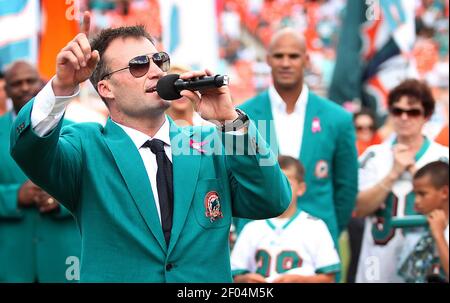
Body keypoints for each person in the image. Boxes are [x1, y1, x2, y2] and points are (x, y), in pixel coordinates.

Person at [9, 12, 291, 282]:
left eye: (159, 61)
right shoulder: (86, 145)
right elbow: (26, 147)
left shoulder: (212, 141)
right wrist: (60, 86)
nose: (156, 72)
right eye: (139, 65)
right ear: (106, 88)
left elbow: (274, 198)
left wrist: (231, 120)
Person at [238, 27, 358, 247]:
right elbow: (235, 180)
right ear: (268, 60)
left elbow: (347, 187)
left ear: (306, 59)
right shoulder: (241, 116)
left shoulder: (337, 118)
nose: (285, 63)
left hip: (317, 246)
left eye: (293, 56)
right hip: (258, 246)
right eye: (279, 56)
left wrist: (329, 230)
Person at [355, 79, 449, 283]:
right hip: (378, 257)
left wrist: (416, 172)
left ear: (427, 116)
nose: (404, 117)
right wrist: (393, 173)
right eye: (397, 111)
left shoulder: (443, 157)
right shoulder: (373, 156)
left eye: (413, 112)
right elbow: (359, 208)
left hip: (428, 258)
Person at [0, 61, 80, 282]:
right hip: (12, 262)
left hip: (63, 261)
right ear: (5, 89)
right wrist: (14, 196)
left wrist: (59, 201)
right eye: (17, 83)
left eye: (30, 81)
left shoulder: (74, 131)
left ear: (42, 84)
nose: (25, 87)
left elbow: (89, 189)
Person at [231, 155, 341, 283]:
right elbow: (236, 275)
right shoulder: (252, 228)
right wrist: (247, 279)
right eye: (274, 183)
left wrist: (300, 280)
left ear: (301, 189)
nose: (280, 189)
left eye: (287, 183)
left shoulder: (315, 227)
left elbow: (329, 277)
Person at [399, 161, 448, 282]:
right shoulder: (415, 229)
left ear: (444, 192)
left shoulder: (442, 232)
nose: (416, 201)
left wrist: (439, 236)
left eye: (422, 194)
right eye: (415, 194)